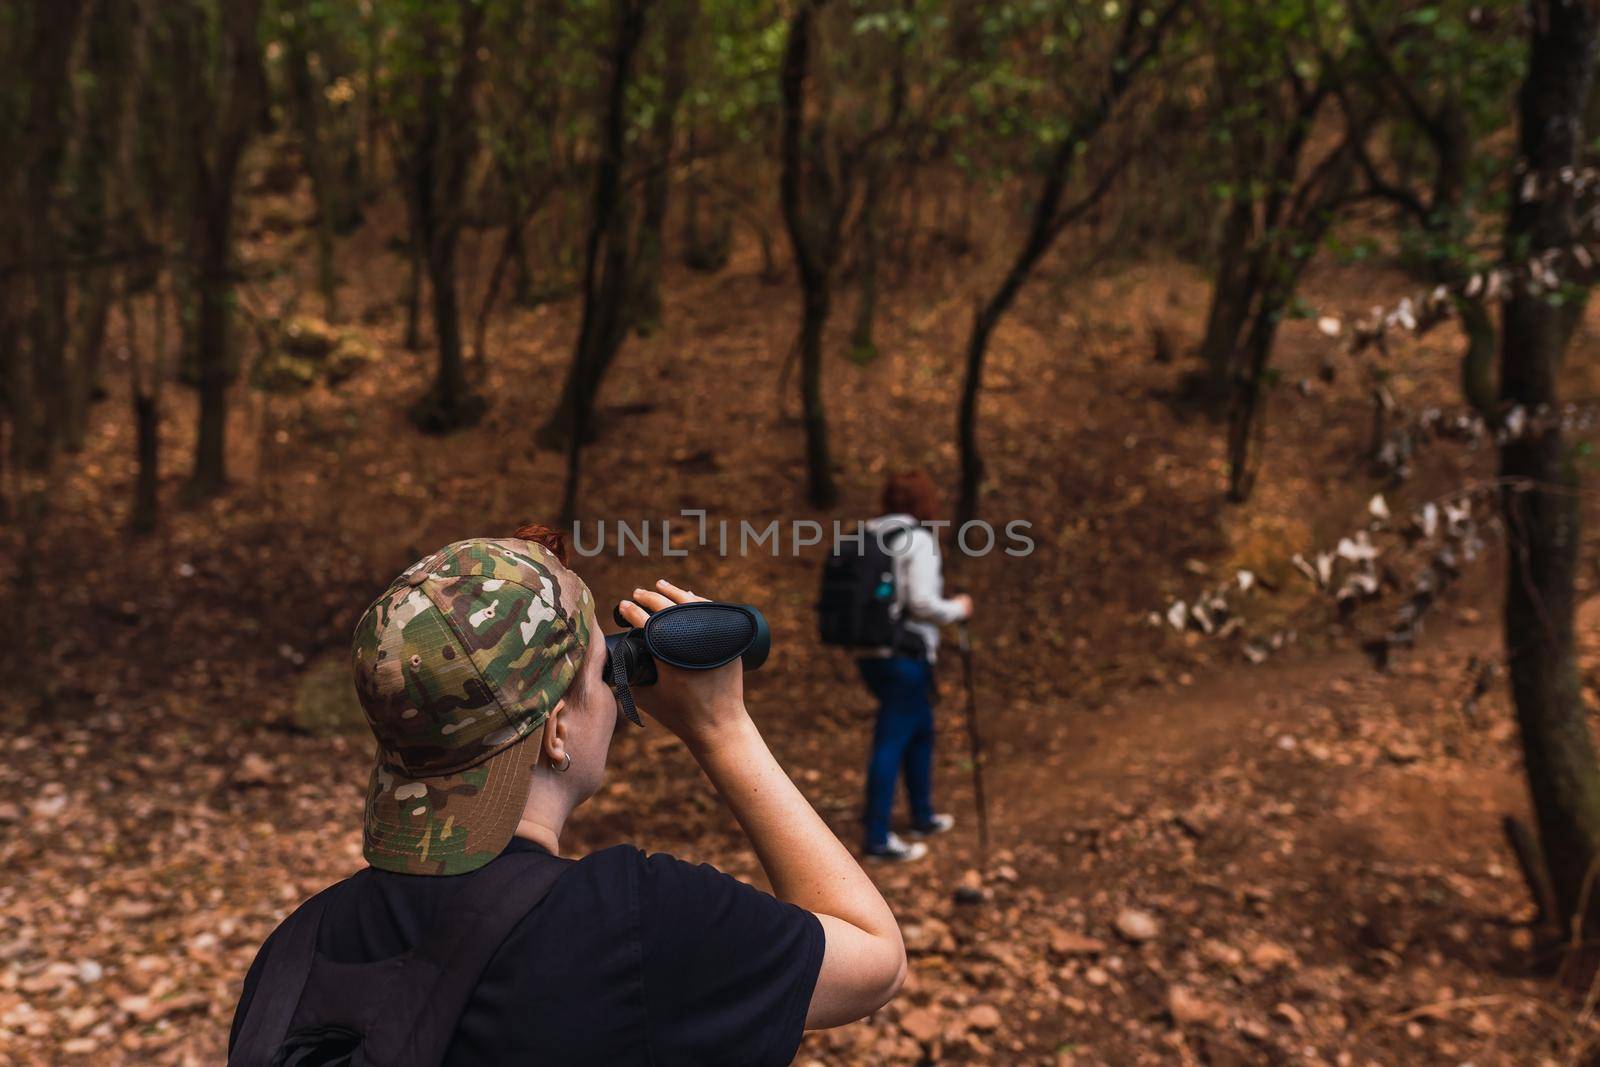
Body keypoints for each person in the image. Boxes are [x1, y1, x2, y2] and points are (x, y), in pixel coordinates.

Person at [228, 526, 906, 1066]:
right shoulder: (635, 923)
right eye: (601, 671)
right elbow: (874, 959)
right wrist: (721, 728)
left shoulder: (295, 950)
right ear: (555, 730)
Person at [859, 471, 974, 863]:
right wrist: (958, 609)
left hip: (870, 653)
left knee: (920, 729)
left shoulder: (868, 534)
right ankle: (877, 838)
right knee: (892, 739)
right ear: (923, 502)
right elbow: (922, 602)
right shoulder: (918, 541)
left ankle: (922, 816)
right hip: (904, 655)